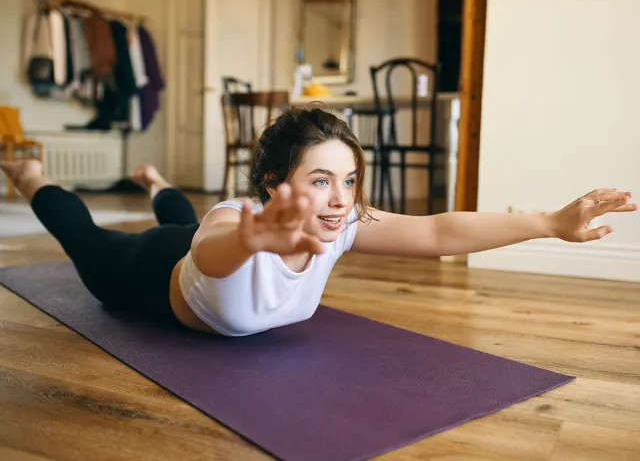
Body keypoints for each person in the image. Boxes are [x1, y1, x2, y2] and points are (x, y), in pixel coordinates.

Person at [1, 108, 637, 337]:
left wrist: (551, 221)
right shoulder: (238, 223)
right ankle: (28, 178)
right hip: (143, 277)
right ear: (278, 187)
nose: (339, 199)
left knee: (180, 216)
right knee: (85, 238)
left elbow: (440, 232)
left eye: (350, 179)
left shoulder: (343, 222)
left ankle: (158, 185)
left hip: (198, 238)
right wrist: (255, 239)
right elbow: (218, 252)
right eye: (320, 180)